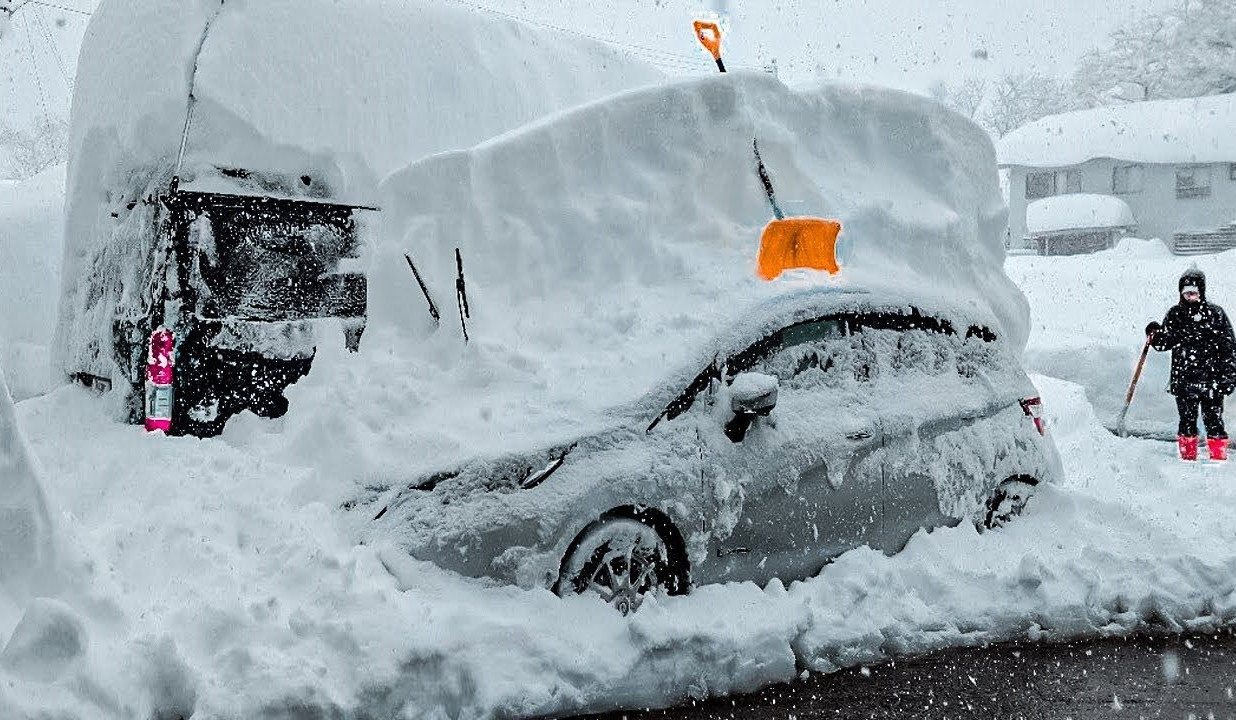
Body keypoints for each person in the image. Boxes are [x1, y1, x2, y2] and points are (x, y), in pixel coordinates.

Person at [1145, 269, 1236, 461]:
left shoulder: (1216, 314)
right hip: (1184, 381)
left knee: (1214, 422)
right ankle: (1188, 460)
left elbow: (1229, 348)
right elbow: (1165, 343)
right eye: (1186, 292)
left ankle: (1218, 459)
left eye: (1194, 291)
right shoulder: (1175, 314)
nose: (1190, 295)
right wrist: (1155, 335)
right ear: (1180, 292)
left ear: (1201, 291)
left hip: (1212, 381)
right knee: (1186, 422)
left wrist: (1228, 377)